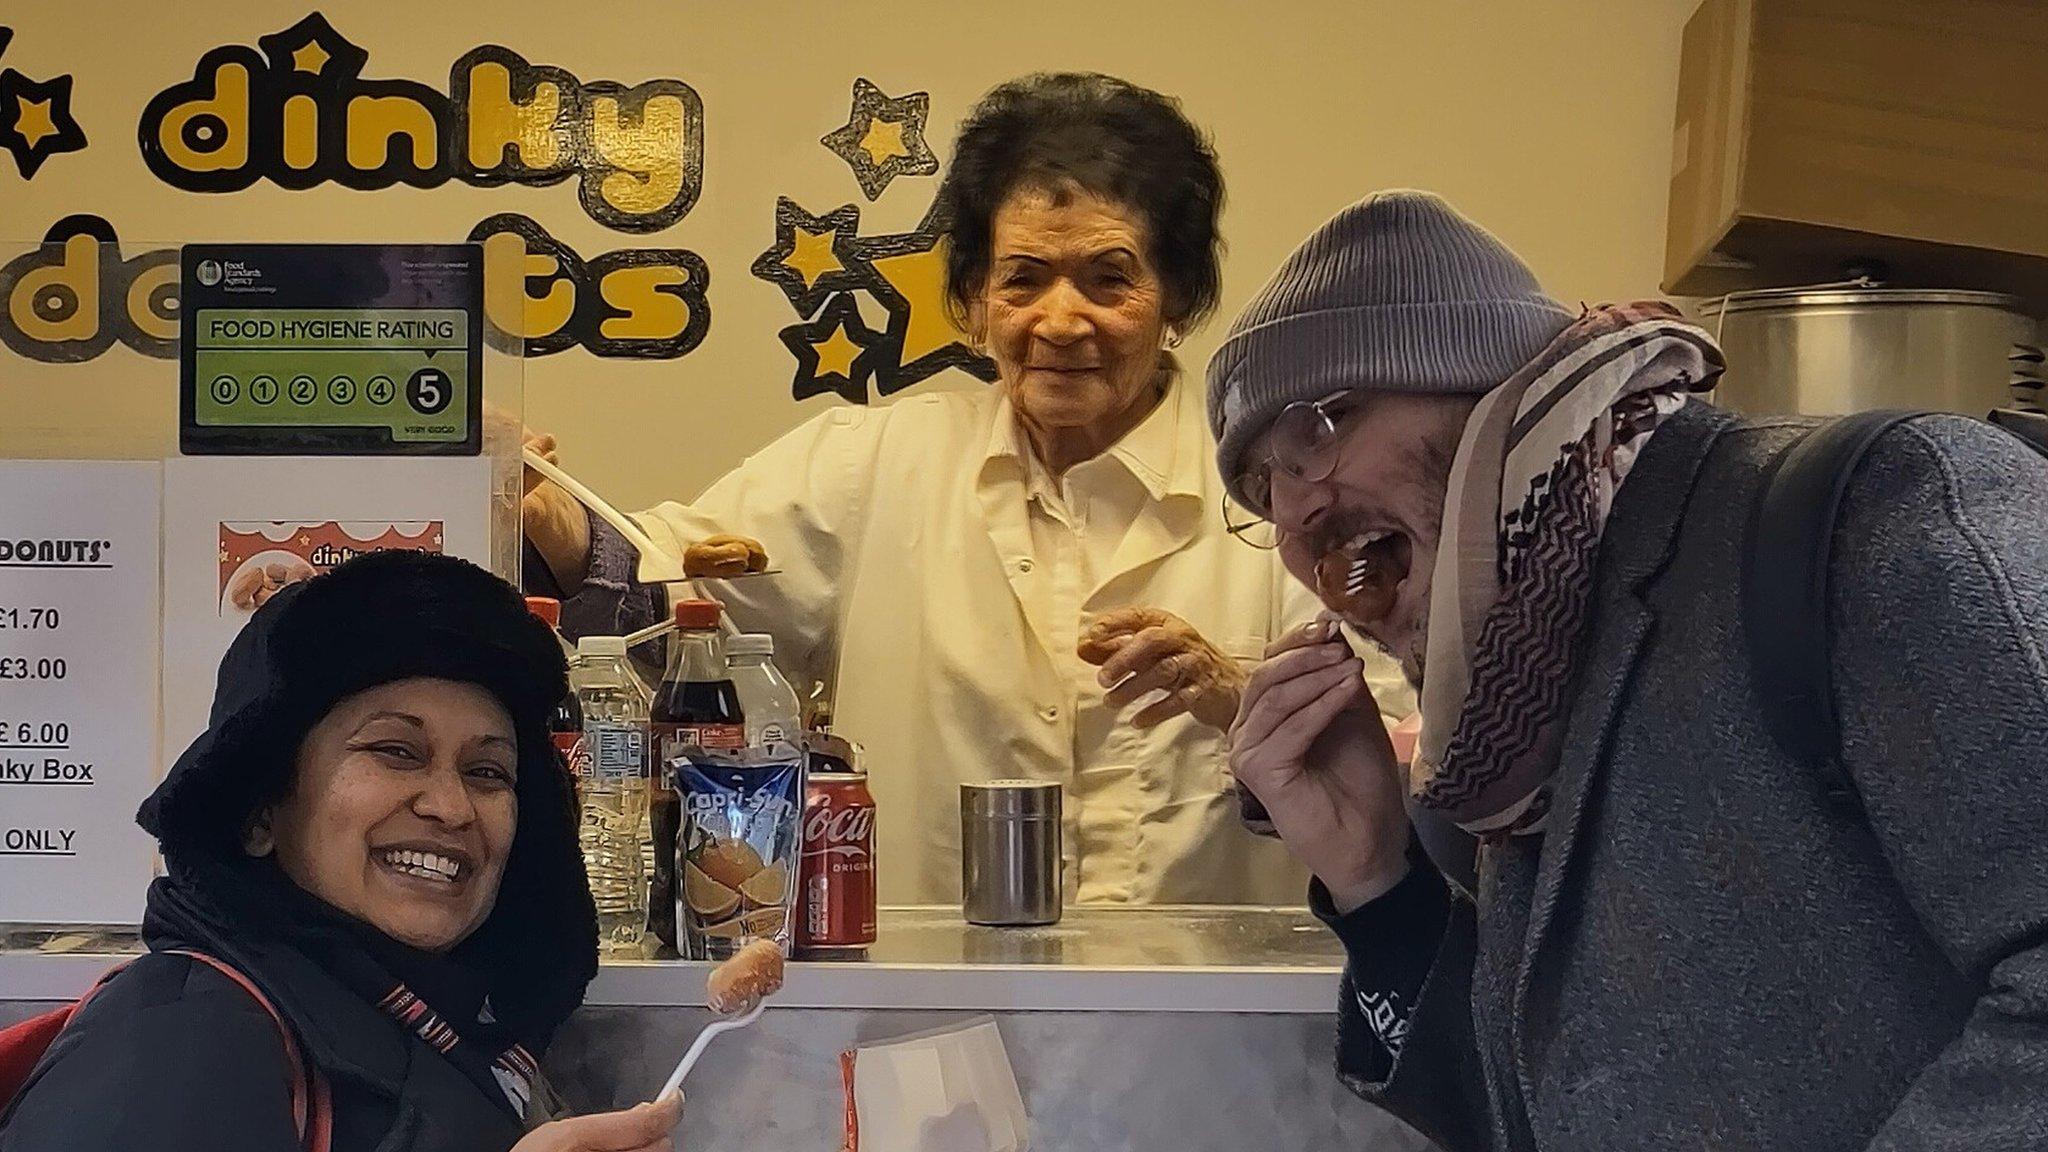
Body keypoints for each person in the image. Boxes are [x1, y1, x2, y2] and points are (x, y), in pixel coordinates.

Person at [1212, 191, 2048, 1150]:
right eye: (1257, 485)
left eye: (1318, 428)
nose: (1295, 510)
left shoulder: (1878, 514)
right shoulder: (1504, 725)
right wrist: (1374, 880)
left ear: (1482, 375)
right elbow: (1539, 1112)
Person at [523, 73, 1412, 905]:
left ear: (1176, 297)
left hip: (1206, 1039)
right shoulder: (869, 464)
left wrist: (1237, 697)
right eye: (1022, 279)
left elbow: (1409, 757)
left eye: (1109, 279)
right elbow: (677, 591)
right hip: (931, 1029)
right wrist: (549, 516)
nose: (1061, 321)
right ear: (972, 298)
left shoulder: (1288, 486)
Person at [0, 552, 682, 1152]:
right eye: (395, 751)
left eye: (488, 773)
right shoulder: (183, 1038)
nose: (450, 806)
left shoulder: (457, 1039)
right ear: (260, 812)